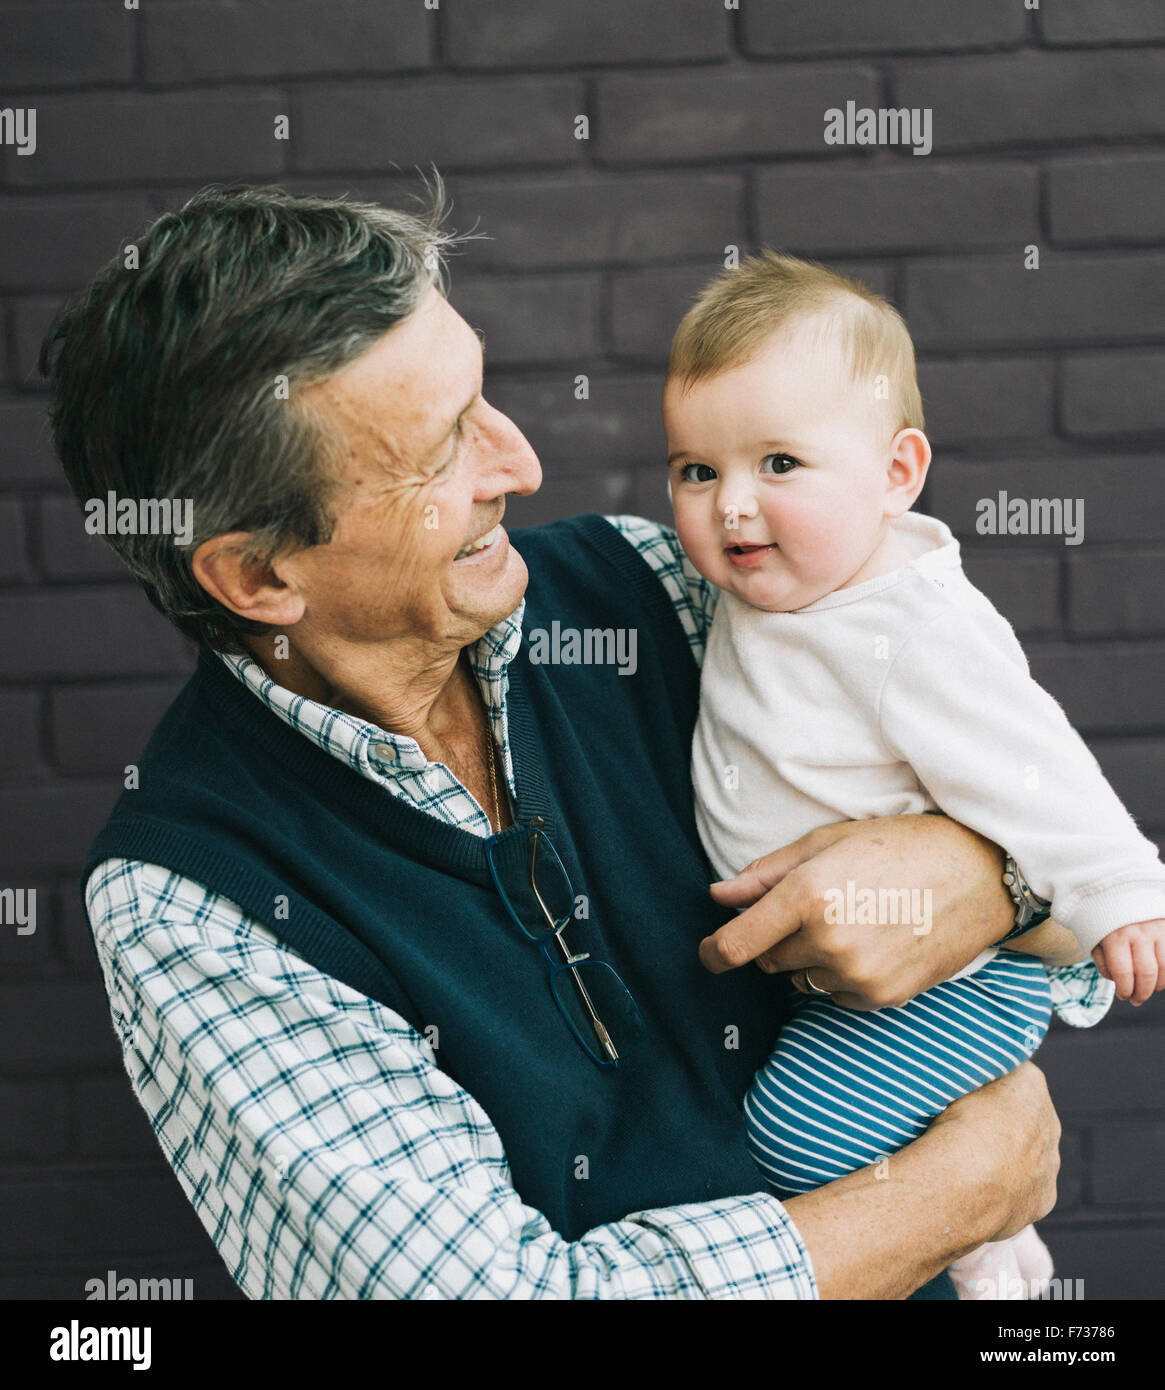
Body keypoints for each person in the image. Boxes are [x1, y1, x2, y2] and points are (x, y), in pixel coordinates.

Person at [39, 183, 1098, 1300]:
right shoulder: (190, 902)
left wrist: (992, 880)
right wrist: (952, 1196)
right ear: (260, 575)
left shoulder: (661, 588)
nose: (521, 464)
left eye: (482, 398)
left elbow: (1093, 895)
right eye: (444, 449)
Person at [662, 250, 1163, 1298]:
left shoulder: (907, 625)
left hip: (955, 980)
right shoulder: (772, 589)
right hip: (845, 979)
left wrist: (1121, 892)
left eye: (780, 465)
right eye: (697, 471)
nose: (732, 508)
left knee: (795, 1137)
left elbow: (1033, 764)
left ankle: (985, 1242)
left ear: (896, 474)